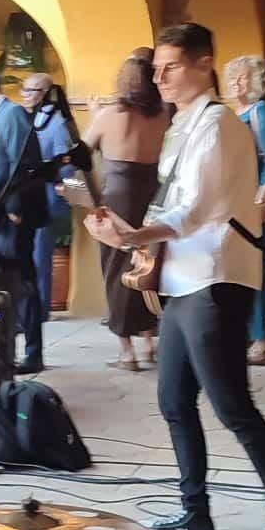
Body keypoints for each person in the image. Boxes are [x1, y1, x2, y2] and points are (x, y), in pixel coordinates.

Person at [85, 23, 265, 530]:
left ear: (204, 63)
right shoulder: (183, 122)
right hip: (184, 279)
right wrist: (130, 237)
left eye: (171, 66)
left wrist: (134, 235)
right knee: (173, 399)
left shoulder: (217, 124)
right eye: (156, 69)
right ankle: (195, 509)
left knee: (232, 405)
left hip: (216, 278)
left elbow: (200, 209)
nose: (160, 78)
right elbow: (169, 200)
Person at [74, 49, 169, 371]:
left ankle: (125, 350)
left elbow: (79, 155)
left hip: (117, 199)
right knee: (147, 266)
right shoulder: (164, 115)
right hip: (153, 197)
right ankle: (149, 341)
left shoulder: (110, 115)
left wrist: (95, 113)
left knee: (116, 271)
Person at [0, 63, 47, 374]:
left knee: (22, 284)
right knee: (3, 284)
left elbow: (23, 164)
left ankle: (32, 353)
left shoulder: (11, 115)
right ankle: (4, 351)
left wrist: (15, 209)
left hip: (11, 218)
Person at [224, 56, 265, 365]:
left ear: (257, 82)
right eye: (233, 78)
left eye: (243, 78)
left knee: (258, 269)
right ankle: (254, 333)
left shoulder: (260, 110)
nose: (237, 83)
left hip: (256, 198)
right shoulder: (240, 112)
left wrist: (262, 199)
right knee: (246, 267)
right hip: (241, 196)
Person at [21, 73, 71, 321]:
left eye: (32, 91)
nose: (26, 96)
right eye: (25, 90)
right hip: (29, 195)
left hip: (48, 196)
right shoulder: (29, 117)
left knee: (40, 255)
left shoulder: (56, 122)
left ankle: (40, 309)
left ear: (45, 93)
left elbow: (65, 161)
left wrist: (58, 183)